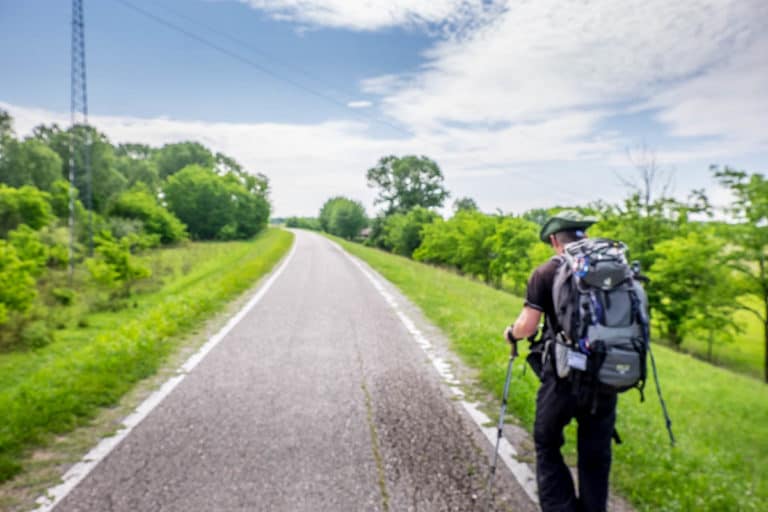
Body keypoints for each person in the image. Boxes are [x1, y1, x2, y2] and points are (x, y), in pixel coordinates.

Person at [504, 210, 616, 512]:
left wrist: (511, 334)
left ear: (554, 239)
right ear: (585, 235)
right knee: (596, 455)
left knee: (547, 441)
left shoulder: (545, 272)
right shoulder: (611, 270)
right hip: (606, 374)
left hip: (563, 376)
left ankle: (560, 507)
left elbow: (527, 327)